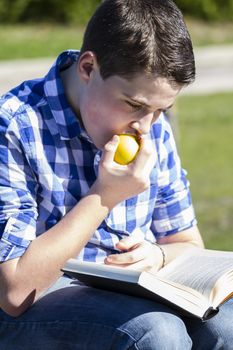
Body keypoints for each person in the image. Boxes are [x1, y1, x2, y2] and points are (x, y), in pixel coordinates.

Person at [0, 0, 232, 349]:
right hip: (33, 306)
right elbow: (14, 293)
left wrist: (158, 255)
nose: (144, 126)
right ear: (89, 67)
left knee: (225, 328)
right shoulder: (16, 126)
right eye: (133, 104)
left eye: (160, 110)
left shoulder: (152, 127)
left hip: (129, 292)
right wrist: (104, 195)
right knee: (156, 332)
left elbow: (186, 243)